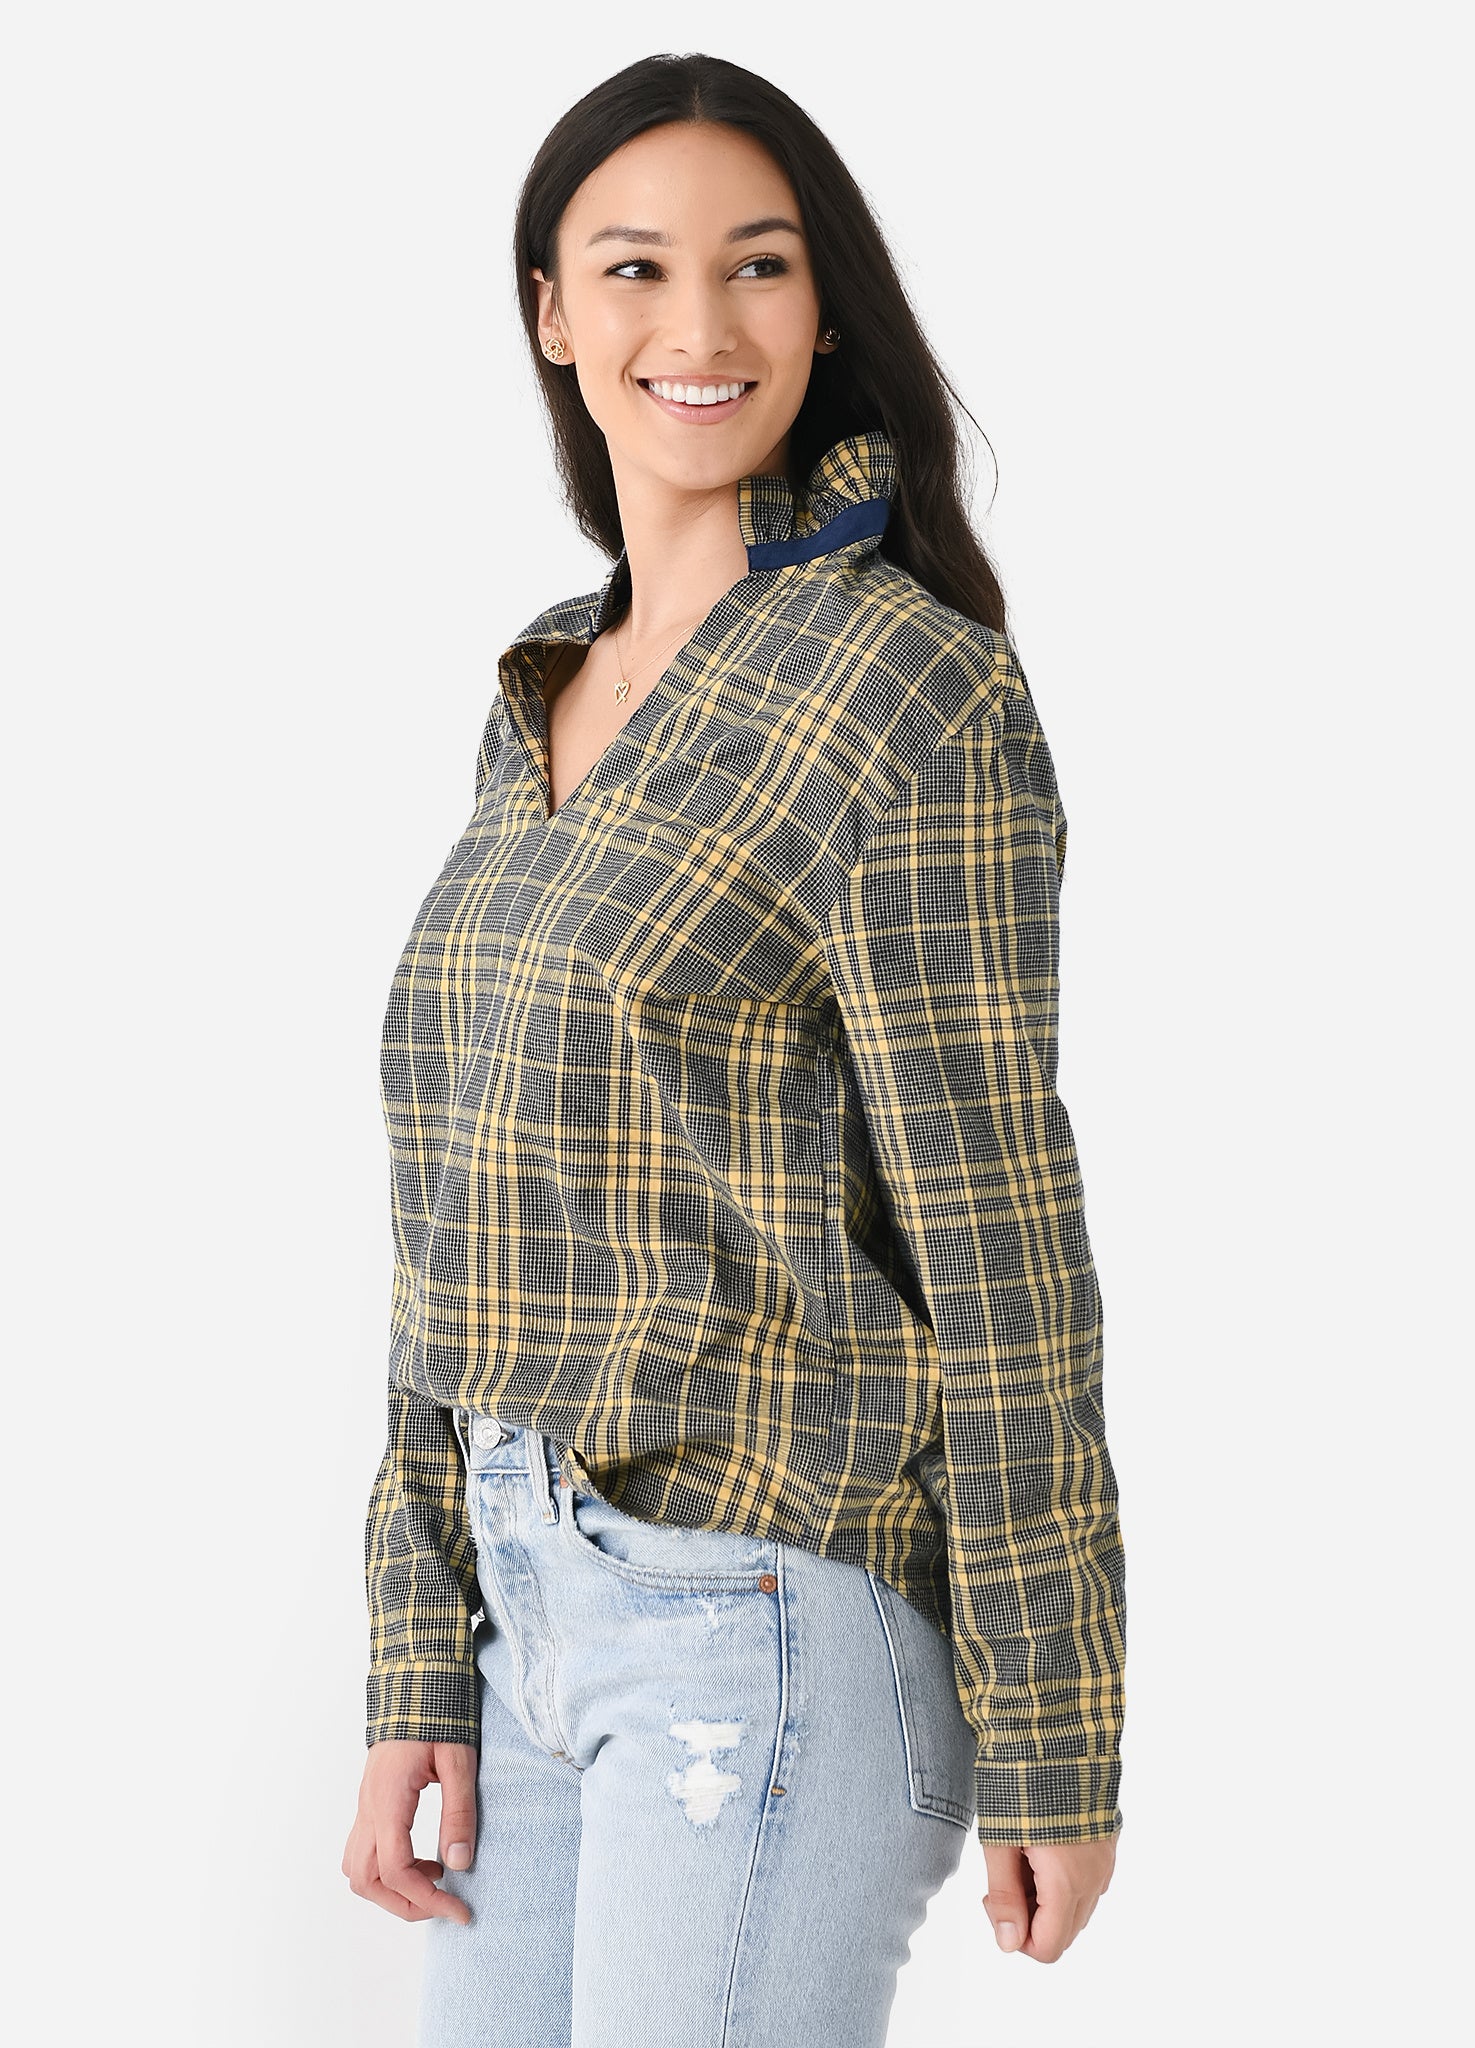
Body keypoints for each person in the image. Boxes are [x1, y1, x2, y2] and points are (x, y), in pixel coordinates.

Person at [342, 51, 1127, 2048]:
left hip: (759, 1623)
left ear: (825, 304)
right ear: (552, 312)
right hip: (528, 1623)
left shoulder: (906, 690)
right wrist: (419, 1654)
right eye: (635, 268)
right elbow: (456, 1213)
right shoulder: (541, 687)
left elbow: (1002, 1243)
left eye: (758, 266)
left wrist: (1055, 1728)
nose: (698, 326)